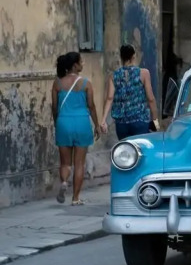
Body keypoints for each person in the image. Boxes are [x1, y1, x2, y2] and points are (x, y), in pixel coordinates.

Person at [52, 52, 101, 205]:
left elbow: (54, 107)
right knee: (79, 163)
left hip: (63, 122)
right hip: (81, 123)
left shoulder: (58, 83)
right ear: (75, 65)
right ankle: (75, 198)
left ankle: (64, 182)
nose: (83, 64)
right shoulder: (86, 83)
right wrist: (97, 125)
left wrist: (57, 122)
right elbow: (91, 106)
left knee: (65, 163)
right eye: (81, 61)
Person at [100, 45, 160, 140]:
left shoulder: (113, 76)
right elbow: (151, 99)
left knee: (126, 151)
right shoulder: (144, 73)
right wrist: (156, 122)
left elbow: (109, 98)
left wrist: (103, 120)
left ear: (121, 57)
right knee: (141, 150)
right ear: (133, 56)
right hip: (140, 121)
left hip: (122, 124)